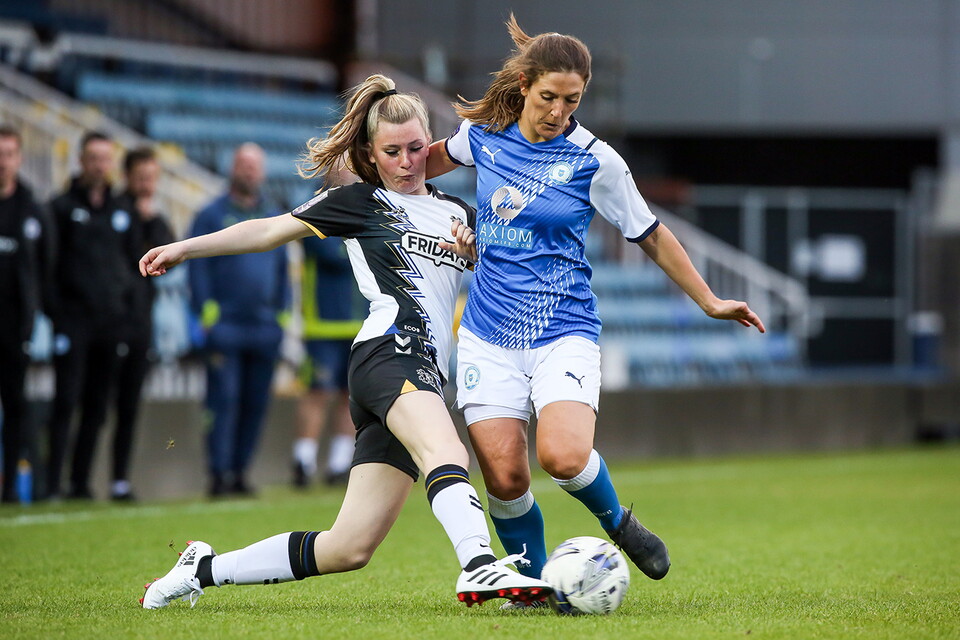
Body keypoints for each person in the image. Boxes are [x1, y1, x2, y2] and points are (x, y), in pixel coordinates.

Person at [137, 75, 552, 610]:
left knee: (348, 547)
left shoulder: (460, 214)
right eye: (392, 152)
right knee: (447, 450)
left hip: (424, 370)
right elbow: (266, 230)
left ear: (433, 143)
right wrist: (185, 248)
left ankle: (202, 569)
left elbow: (509, 273)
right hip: (389, 353)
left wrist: (476, 253)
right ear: (372, 156)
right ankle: (478, 564)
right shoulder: (358, 202)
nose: (406, 161)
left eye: (416, 148)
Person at [426, 15, 766, 595]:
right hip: (486, 330)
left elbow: (651, 233)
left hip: (563, 327)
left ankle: (619, 523)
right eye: (549, 97)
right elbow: (418, 169)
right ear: (525, 85)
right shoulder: (481, 136)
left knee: (561, 456)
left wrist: (708, 300)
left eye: (572, 100)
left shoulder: (595, 160)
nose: (559, 111)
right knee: (505, 478)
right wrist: (383, 181)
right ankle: (529, 586)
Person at [188, 143, 289, 497]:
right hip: (225, 326)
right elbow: (197, 264)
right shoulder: (211, 214)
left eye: (255, 167)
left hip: (264, 327)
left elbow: (282, 268)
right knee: (223, 399)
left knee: (255, 403)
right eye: (244, 165)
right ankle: (218, 474)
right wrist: (206, 310)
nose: (249, 172)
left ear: (262, 172)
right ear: (233, 168)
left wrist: (282, 313)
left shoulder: (273, 213)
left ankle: (240, 473)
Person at [46, 130, 136, 500]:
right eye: (93, 158)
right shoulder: (61, 207)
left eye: (105, 158)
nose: (100, 165)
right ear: (81, 161)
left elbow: (132, 266)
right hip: (73, 322)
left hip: (110, 323)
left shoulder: (122, 210)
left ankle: (80, 483)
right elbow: (49, 266)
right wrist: (58, 316)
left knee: (98, 407)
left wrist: (124, 311)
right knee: (66, 401)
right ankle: (51, 483)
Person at [110, 146, 174, 501]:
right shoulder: (114, 210)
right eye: (142, 177)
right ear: (129, 177)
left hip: (139, 323)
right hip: (108, 324)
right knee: (94, 406)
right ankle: (72, 479)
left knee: (129, 406)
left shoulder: (154, 216)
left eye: (152, 177)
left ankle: (119, 479)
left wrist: (150, 219)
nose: (148, 183)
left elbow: (169, 249)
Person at [0, 125, 51, 504]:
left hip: (15, 326)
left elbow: (46, 267)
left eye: (9, 154)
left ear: (19, 158)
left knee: (15, 405)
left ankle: (10, 491)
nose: (3, 162)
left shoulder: (33, 210)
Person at [291, 231, 363, 488]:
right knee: (317, 393)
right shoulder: (319, 218)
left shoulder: (368, 215)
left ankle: (340, 464)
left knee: (351, 396)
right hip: (323, 325)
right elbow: (334, 255)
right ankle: (303, 462)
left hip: (362, 325)